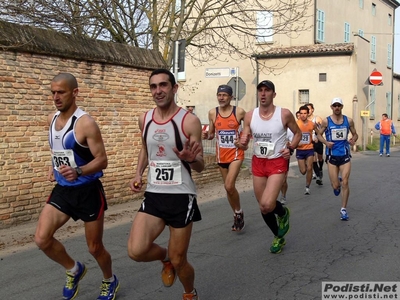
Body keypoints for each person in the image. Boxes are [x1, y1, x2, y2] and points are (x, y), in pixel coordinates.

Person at [34, 73, 119, 300]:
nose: (56, 97)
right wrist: (54, 167)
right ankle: (74, 269)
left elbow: (102, 160)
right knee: (42, 239)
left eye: (60, 92)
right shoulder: (52, 119)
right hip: (63, 190)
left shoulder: (85, 123)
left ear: (75, 92)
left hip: (88, 191)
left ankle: (109, 280)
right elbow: (59, 150)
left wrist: (78, 171)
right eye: (53, 92)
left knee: (94, 248)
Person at [128, 69, 204, 300]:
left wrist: (192, 159)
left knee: (181, 260)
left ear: (174, 88)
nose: (158, 91)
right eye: (153, 86)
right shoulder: (145, 119)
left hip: (181, 197)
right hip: (154, 194)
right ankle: (166, 257)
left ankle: (190, 293)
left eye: (163, 85)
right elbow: (145, 148)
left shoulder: (189, 121)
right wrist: (138, 172)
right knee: (136, 250)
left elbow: (200, 165)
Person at [239, 80, 301, 254]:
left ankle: (283, 213)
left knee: (268, 204)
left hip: (277, 161)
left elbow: (298, 133)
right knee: (263, 207)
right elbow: (243, 142)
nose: (263, 94)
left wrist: (290, 148)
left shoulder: (284, 114)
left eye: (267, 90)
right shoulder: (250, 116)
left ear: (274, 94)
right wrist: (241, 142)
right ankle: (278, 236)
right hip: (258, 162)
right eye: (260, 91)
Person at [203, 84, 247, 231]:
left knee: (229, 185)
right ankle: (237, 214)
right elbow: (211, 133)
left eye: (224, 95)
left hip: (236, 154)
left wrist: (242, 142)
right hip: (221, 156)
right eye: (219, 95)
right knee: (229, 189)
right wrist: (206, 136)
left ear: (231, 97)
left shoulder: (239, 112)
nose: (221, 98)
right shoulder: (212, 113)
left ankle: (239, 212)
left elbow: (248, 129)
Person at [316, 97, 358, 221]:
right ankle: (336, 184)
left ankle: (343, 209)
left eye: (339, 105)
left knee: (345, 182)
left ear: (342, 107)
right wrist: (325, 143)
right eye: (334, 105)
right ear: (331, 107)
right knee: (336, 186)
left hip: (345, 155)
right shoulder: (326, 121)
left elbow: (355, 134)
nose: (337, 108)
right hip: (332, 156)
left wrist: (353, 140)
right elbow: (318, 134)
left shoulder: (348, 121)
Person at [296, 105, 318, 195]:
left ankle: (307, 187)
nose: (303, 115)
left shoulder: (311, 124)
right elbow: (291, 135)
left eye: (305, 113)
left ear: (308, 114)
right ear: (299, 114)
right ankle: (304, 165)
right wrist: (296, 143)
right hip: (300, 150)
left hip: (309, 149)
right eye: (301, 113)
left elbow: (317, 132)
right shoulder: (296, 124)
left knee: (309, 168)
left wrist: (316, 137)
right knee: (303, 171)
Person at [307, 103, 324, 185]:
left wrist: (318, 137)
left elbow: (323, 128)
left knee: (320, 158)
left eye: (309, 109)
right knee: (313, 159)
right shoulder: (305, 120)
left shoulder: (317, 119)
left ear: (312, 109)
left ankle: (320, 169)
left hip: (318, 140)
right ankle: (318, 176)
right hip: (310, 142)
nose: (308, 111)